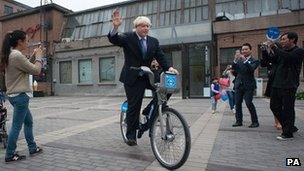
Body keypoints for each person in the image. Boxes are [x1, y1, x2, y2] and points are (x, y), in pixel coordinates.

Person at [107, 9, 178, 146]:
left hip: (148, 75)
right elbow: (114, 39)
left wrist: (169, 68)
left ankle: (148, 111)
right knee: (135, 104)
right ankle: (131, 134)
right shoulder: (128, 37)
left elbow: (161, 57)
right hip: (132, 76)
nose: (145, 28)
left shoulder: (153, 41)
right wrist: (115, 27)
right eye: (142, 25)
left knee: (166, 90)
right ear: (136, 27)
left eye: (147, 26)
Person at [0, 30, 44, 162]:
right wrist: (40, 57)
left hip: (15, 96)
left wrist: (34, 55)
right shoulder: (16, 56)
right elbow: (36, 70)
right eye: (26, 40)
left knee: (28, 122)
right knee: (16, 126)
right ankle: (10, 154)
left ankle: (32, 147)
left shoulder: (12, 54)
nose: (28, 43)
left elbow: (26, 66)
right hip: (20, 97)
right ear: (20, 42)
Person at [267, 32, 304, 140]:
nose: (281, 41)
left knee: (288, 109)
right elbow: (271, 61)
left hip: (289, 84)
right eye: (281, 39)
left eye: (284, 39)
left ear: (292, 40)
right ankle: (289, 127)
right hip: (276, 84)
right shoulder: (281, 52)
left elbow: (288, 58)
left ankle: (287, 133)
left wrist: (275, 47)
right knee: (273, 106)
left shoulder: (299, 51)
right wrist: (267, 50)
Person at [232, 43, 260, 128]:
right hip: (238, 85)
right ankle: (238, 121)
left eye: (246, 49)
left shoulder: (255, 60)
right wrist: (235, 60)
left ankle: (255, 122)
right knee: (237, 103)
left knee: (248, 103)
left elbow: (251, 69)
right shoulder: (239, 60)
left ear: (250, 50)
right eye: (243, 49)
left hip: (248, 85)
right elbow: (235, 69)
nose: (244, 51)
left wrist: (245, 60)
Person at [260, 43, 282, 130]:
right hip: (272, 82)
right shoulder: (271, 56)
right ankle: (277, 121)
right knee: (274, 104)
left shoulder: (281, 56)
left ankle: (281, 121)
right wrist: (264, 50)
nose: (271, 50)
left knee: (280, 104)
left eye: (272, 48)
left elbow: (276, 58)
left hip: (280, 82)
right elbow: (264, 63)